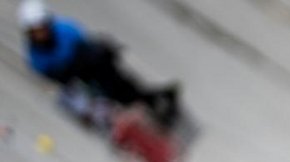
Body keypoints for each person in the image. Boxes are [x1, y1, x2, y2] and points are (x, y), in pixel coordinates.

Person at [18, 1, 179, 129]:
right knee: (87, 102)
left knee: (118, 80)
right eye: (35, 31)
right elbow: (59, 81)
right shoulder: (36, 59)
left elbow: (87, 46)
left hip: (94, 67)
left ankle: (150, 101)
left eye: (42, 28)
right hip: (77, 82)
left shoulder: (66, 29)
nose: (40, 34)